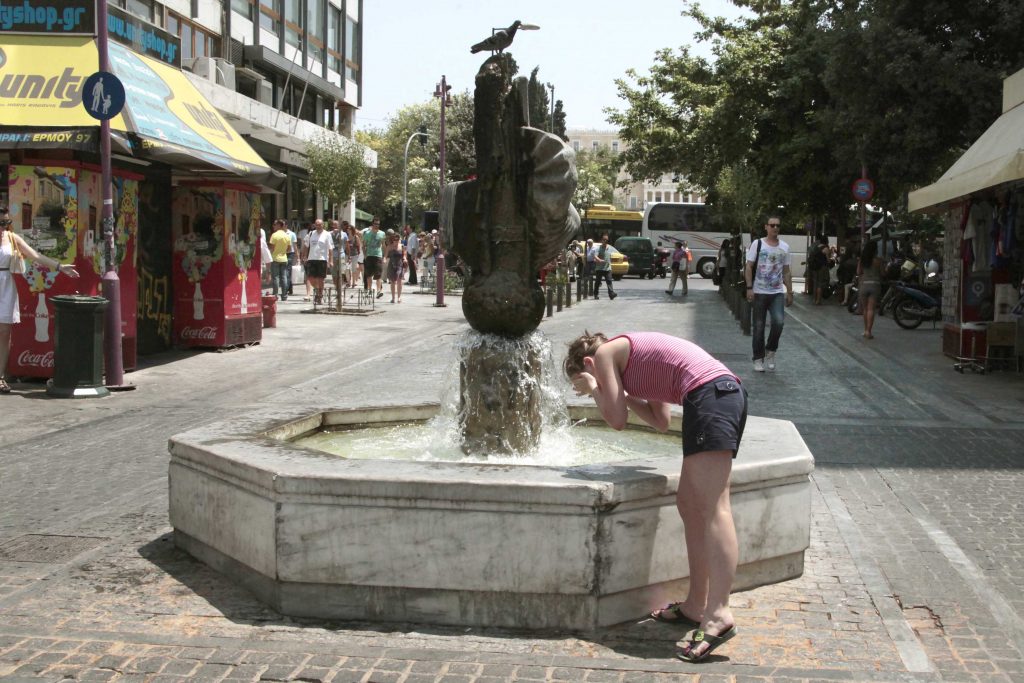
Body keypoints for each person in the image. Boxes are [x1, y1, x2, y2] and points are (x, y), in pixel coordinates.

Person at [564, 331, 746, 662]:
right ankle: (695, 605)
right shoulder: (631, 361)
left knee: (714, 507)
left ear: (589, 364)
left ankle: (719, 613)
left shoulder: (606, 354)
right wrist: (620, 392)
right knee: (690, 505)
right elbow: (660, 421)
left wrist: (595, 389)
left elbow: (616, 421)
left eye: (591, 379)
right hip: (713, 395)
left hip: (711, 395)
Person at [1, 205, 81, 394]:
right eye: (0, 222)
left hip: (5, 285)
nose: (3, 227)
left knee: (4, 332)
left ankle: (0, 377)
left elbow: (35, 255)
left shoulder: (12, 238)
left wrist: (60, 267)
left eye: (6, 222)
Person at [745, 216, 793, 372]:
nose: (775, 228)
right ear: (766, 227)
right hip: (759, 292)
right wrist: (749, 287)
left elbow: (786, 271)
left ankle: (771, 350)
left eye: (778, 225)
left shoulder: (785, 247)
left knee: (779, 322)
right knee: (758, 327)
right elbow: (749, 267)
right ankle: (758, 358)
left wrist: (790, 292)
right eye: (772, 225)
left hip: (777, 292)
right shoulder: (757, 244)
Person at [857, 240, 883, 339]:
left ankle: (865, 330)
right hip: (875, 285)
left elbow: (858, 272)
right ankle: (869, 331)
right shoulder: (878, 260)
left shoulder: (862, 260)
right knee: (871, 309)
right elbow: (883, 273)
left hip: (864, 285)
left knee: (865, 309)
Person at [304, 219, 333, 304]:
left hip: (322, 259)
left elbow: (330, 248)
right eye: (317, 224)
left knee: (321, 279)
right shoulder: (311, 233)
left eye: (320, 224)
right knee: (310, 278)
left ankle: (320, 296)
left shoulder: (327, 234)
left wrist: (330, 260)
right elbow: (306, 245)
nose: (318, 226)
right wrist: (305, 256)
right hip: (311, 258)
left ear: (323, 225)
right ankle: (317, 290)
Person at [361, 218, 386, 298]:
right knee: (369, 275)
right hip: (369, 255)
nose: (377, 225)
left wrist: (384, 256)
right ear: (372, 224)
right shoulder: (367, 233)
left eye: (378, 224)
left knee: (378, 275)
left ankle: (378, 291)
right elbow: (363, 246)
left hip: (378, 256)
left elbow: (384, 245)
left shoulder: (382, 233)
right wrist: (365, 256)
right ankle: (369, 290)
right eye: (375, 224)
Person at [268, 219, 291, 301]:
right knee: (284, 277)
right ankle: (284, 295)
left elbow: (272, 248)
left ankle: (275, 294)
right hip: (284, 258)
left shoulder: (274, 235)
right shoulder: (286, 235)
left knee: (276, 277)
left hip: (275, 258)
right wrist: (283, 251)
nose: (273, 226)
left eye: (275, 224)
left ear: (279, 225)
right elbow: (289, 249)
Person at [588, 234, 617, 300]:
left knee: (609, 281)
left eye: (606, 240)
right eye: (604, 239)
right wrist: (599, 260)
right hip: (599, 268)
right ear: (602, 240)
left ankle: (611, 294)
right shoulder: (599, 248)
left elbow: (615, 253)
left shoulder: (609, 247)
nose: (605, 241)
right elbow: (595, 255)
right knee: (598, 282)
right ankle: (595, 294)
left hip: (607, 268)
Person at [808, 234, 832, 305]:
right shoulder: (825, 248)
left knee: (815, 283)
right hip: (822, 268)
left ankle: (814, 299)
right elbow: (828, 260)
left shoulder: (816, 247)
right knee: (820, 284)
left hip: (815, 267)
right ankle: (818, 300)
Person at [385, 233, 407, 303]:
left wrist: (405, 259)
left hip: (399, 265)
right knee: (392, 281)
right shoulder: (389, 247)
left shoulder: (402, 246)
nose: (396, 241)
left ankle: (399, 297)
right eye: (395, 240)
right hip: (392, 265)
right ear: (392, 240)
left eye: (397, 239)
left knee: (399, 280)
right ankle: (393, 297)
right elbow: (385, 256)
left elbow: (404, 255)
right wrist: (384, 260)